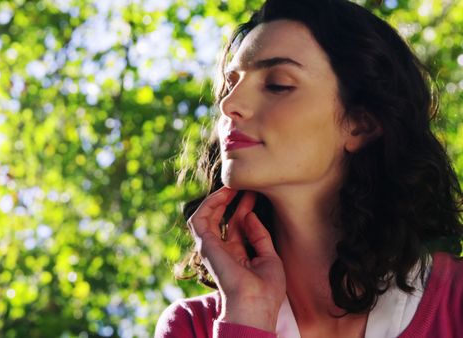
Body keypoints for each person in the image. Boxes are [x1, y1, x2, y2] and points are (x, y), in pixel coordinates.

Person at [155, 0, 463, 337]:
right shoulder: (192, 326)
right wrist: (248, 313)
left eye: (277, 85)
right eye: (231, 85)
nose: (229, 104)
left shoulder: (456, 303)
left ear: (360, 124)